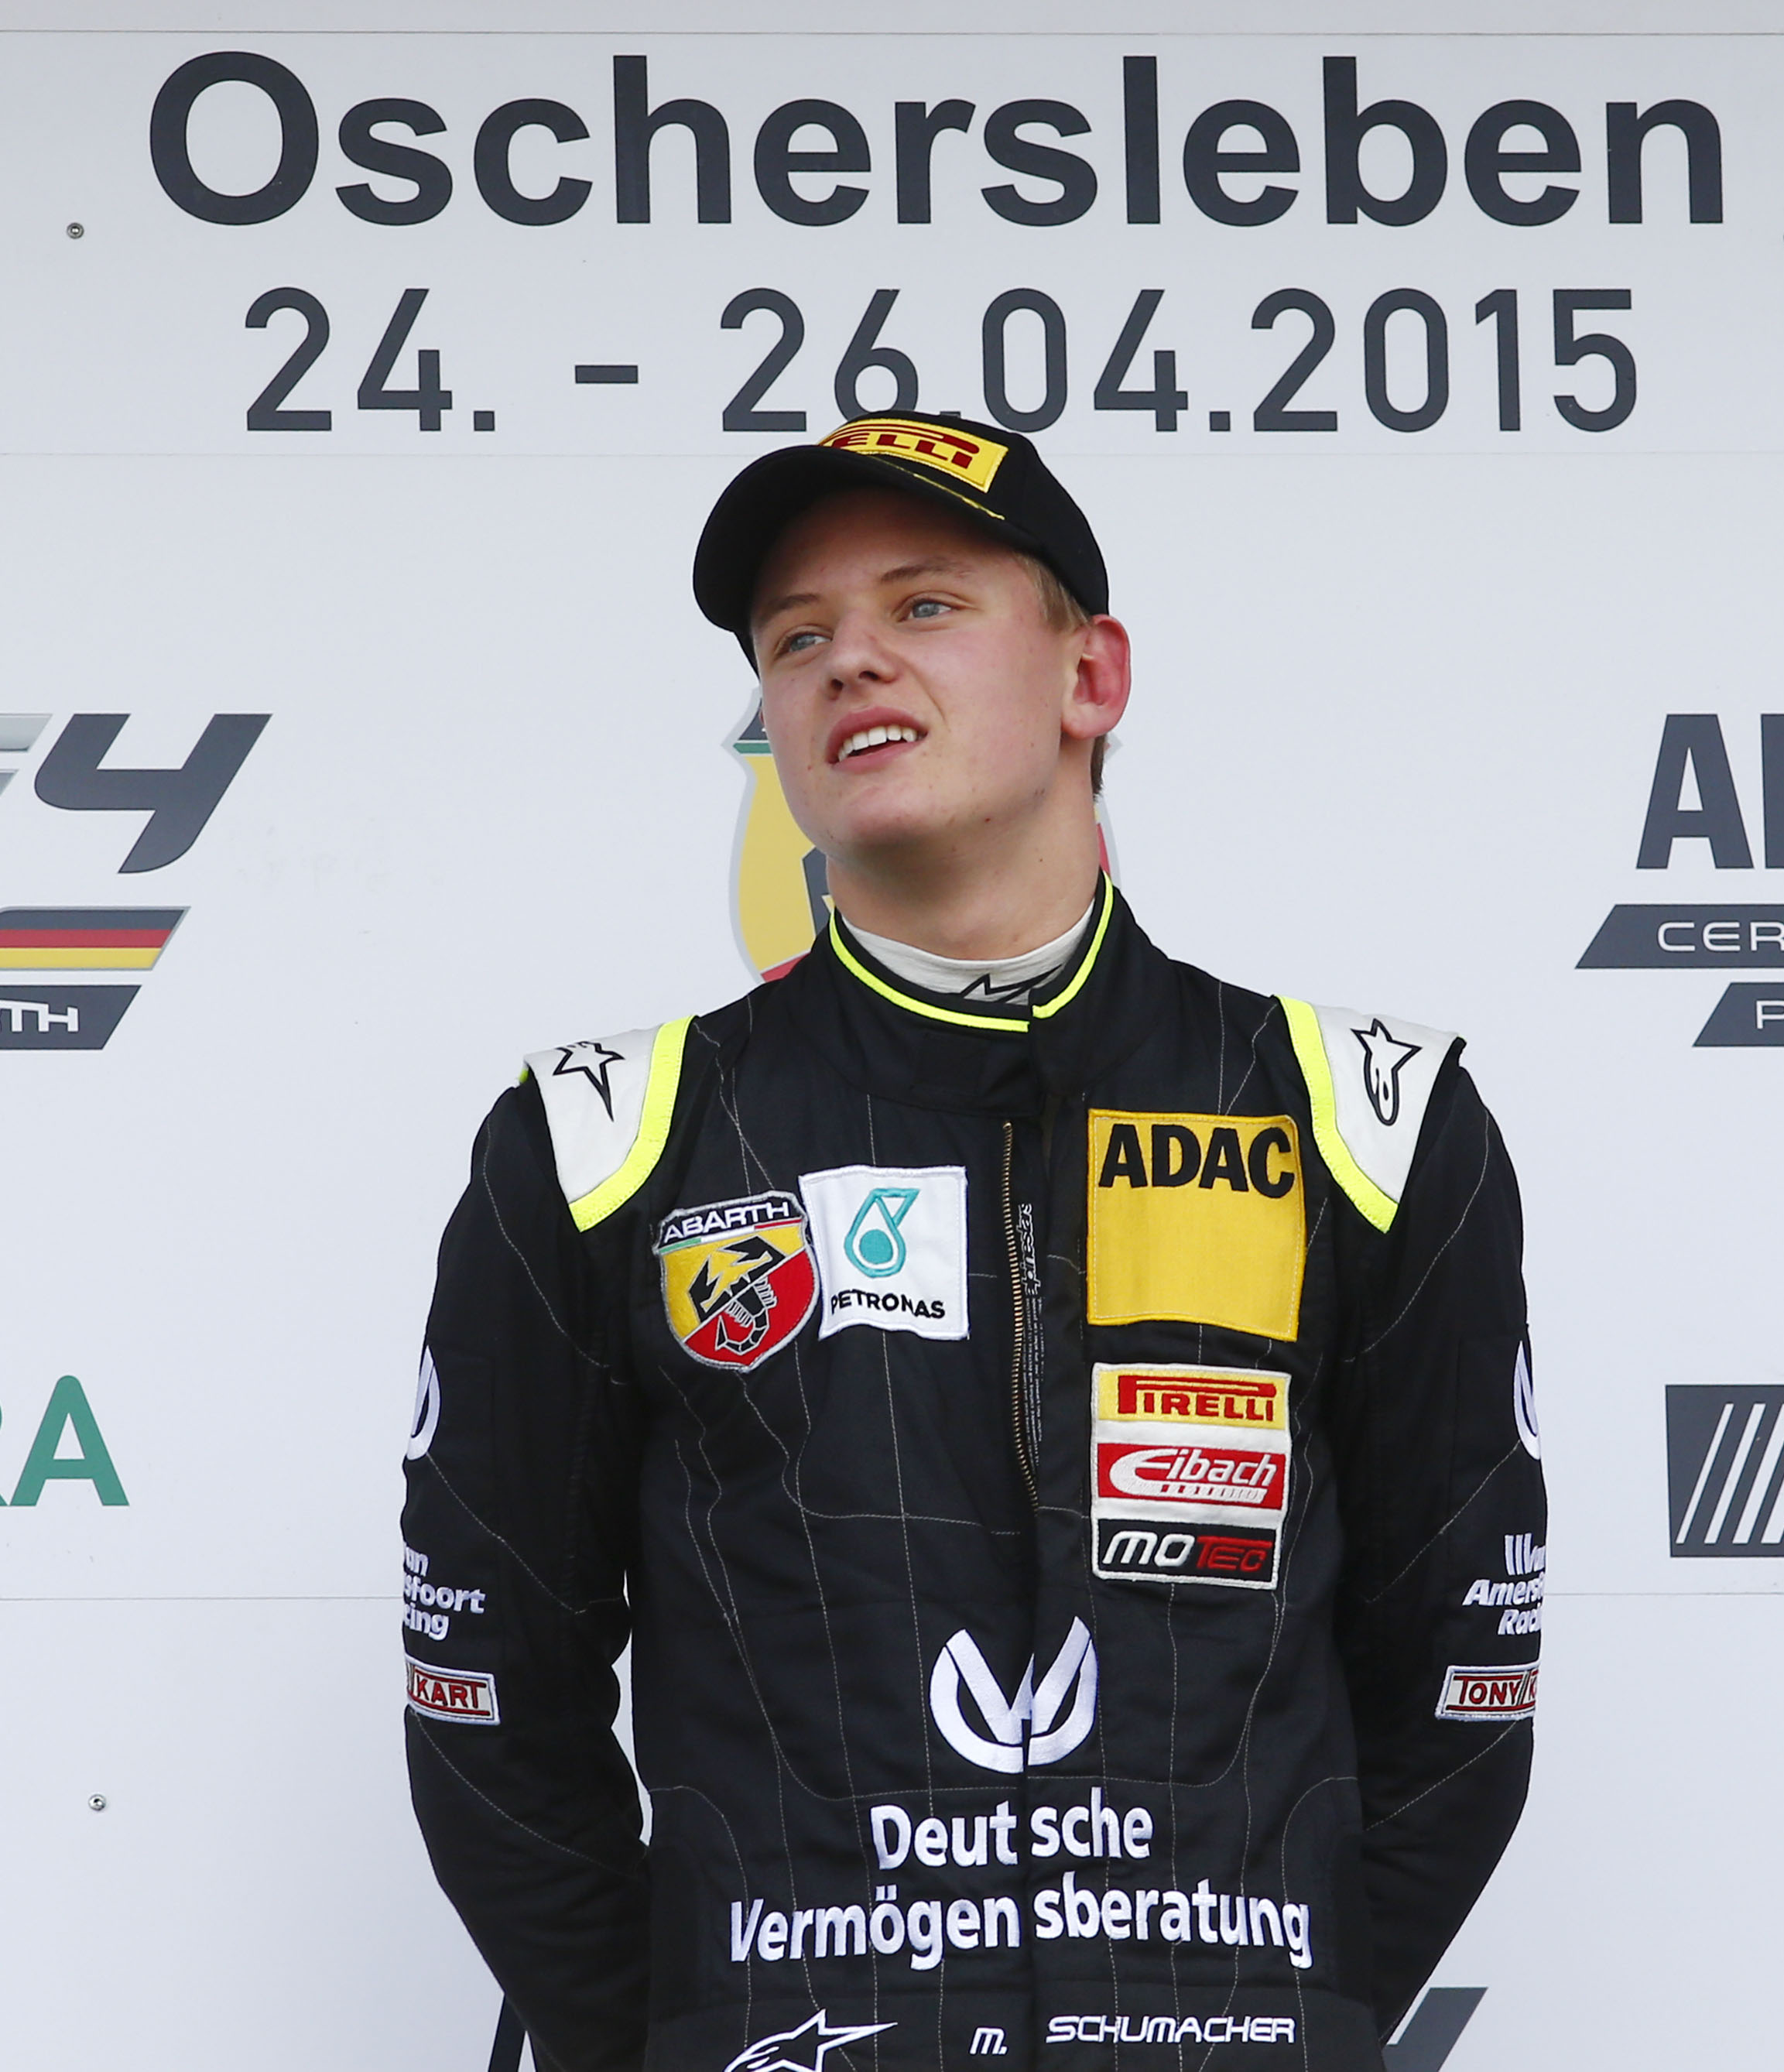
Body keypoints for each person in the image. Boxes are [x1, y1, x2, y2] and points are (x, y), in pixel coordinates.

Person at [402, 413, 1543, 2072]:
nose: (849, 660)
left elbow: (1463, 1680)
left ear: (1093, 675)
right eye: (796, 638)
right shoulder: (603, 1145)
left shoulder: (1364, 1124)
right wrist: (698, 2039)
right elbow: (489, 1701)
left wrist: (1272, 2020)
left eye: (924, 605)